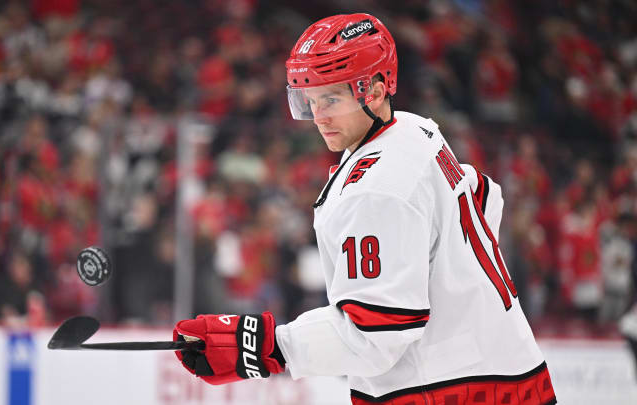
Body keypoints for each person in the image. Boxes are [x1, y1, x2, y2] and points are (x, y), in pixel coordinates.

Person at [172, 13, 557, 405]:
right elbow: (483, 198)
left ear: (373, 91)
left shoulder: (376, 189)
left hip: (447, 390)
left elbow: (376, 333)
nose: (319, 116)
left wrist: (262, 346)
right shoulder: (417, 131)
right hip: (508, 371)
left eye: (332, 99)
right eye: (311, 100)